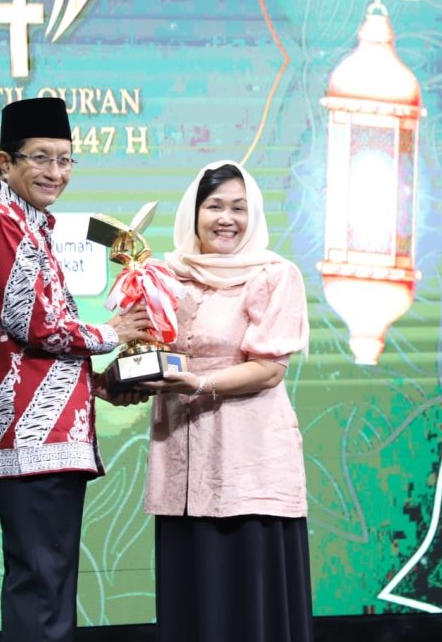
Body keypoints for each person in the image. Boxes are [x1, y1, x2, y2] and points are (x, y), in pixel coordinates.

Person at [0, 96, 153, 642]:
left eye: (65, 160)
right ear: (5, 163)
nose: (56, 172)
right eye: (41, 158)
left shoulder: (28, 223)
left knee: (47, 587)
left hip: (44, 435)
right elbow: (35, 324)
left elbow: (33, 344)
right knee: (43, 591)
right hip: (27, 436)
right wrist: (116, 333)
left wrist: (101, 384)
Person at [133, 160, 312, 642]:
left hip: (248, 466)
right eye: (214, 206)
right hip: (180, 465)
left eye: (239, 208)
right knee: (190, 605)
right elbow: (145, 348)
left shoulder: (274, 275)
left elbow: (269, 368)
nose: (226, 218)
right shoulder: (165, 276)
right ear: (193, 213)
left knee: (248, 608)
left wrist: (198, 383)